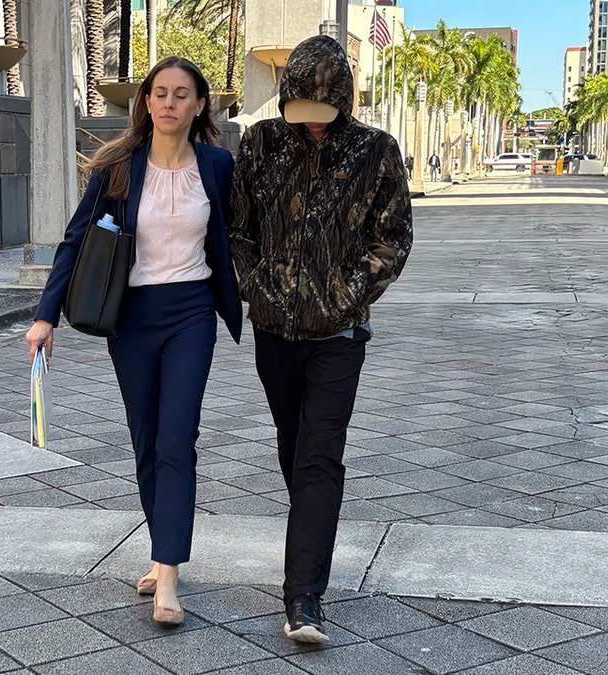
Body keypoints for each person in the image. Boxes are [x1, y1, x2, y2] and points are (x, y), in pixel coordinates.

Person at [26, 56, 242, 626]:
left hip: (193, 313)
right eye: (160, 93)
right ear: (146, 102)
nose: (169, 103)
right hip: (133, 318)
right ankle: (160, 550)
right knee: (146, 440)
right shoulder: (119, 168)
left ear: (199, 106)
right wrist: (45, 316)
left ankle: (168, 576)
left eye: (182, 94)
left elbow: (240, 238)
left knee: (177, 439)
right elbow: (75, 241)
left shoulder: (218, 166)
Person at [229, 34, 414, 645]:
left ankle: (303, 597)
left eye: (322, 112)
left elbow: (393, 240)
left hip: (338, 334)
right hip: (274, 330)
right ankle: (310, 531)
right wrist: (259, 286)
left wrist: (346, 292)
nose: (309, 124)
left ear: (344, 99)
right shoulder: (259, 143)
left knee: (319, 454)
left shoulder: (375, 151)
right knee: (293, 447)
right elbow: (238, 228)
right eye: (299, 111)